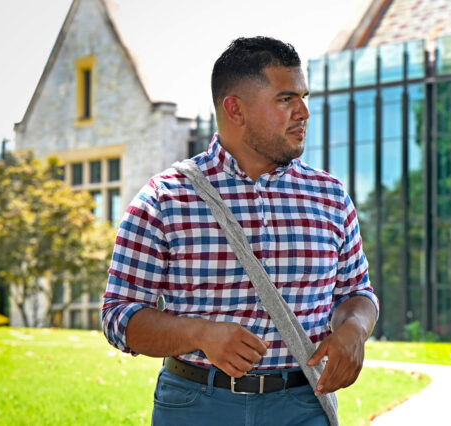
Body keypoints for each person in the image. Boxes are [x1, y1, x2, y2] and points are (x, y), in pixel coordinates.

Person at [101, 36, 378, 425]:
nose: (303, 112)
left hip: (303, 406)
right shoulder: (163, 199)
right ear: (235, 109)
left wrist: (355, 329)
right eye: (286, 99)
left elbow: (357, 292)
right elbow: (118, 316)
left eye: (304, 96)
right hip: (197, 406)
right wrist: (199, 334)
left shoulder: (330, 197)